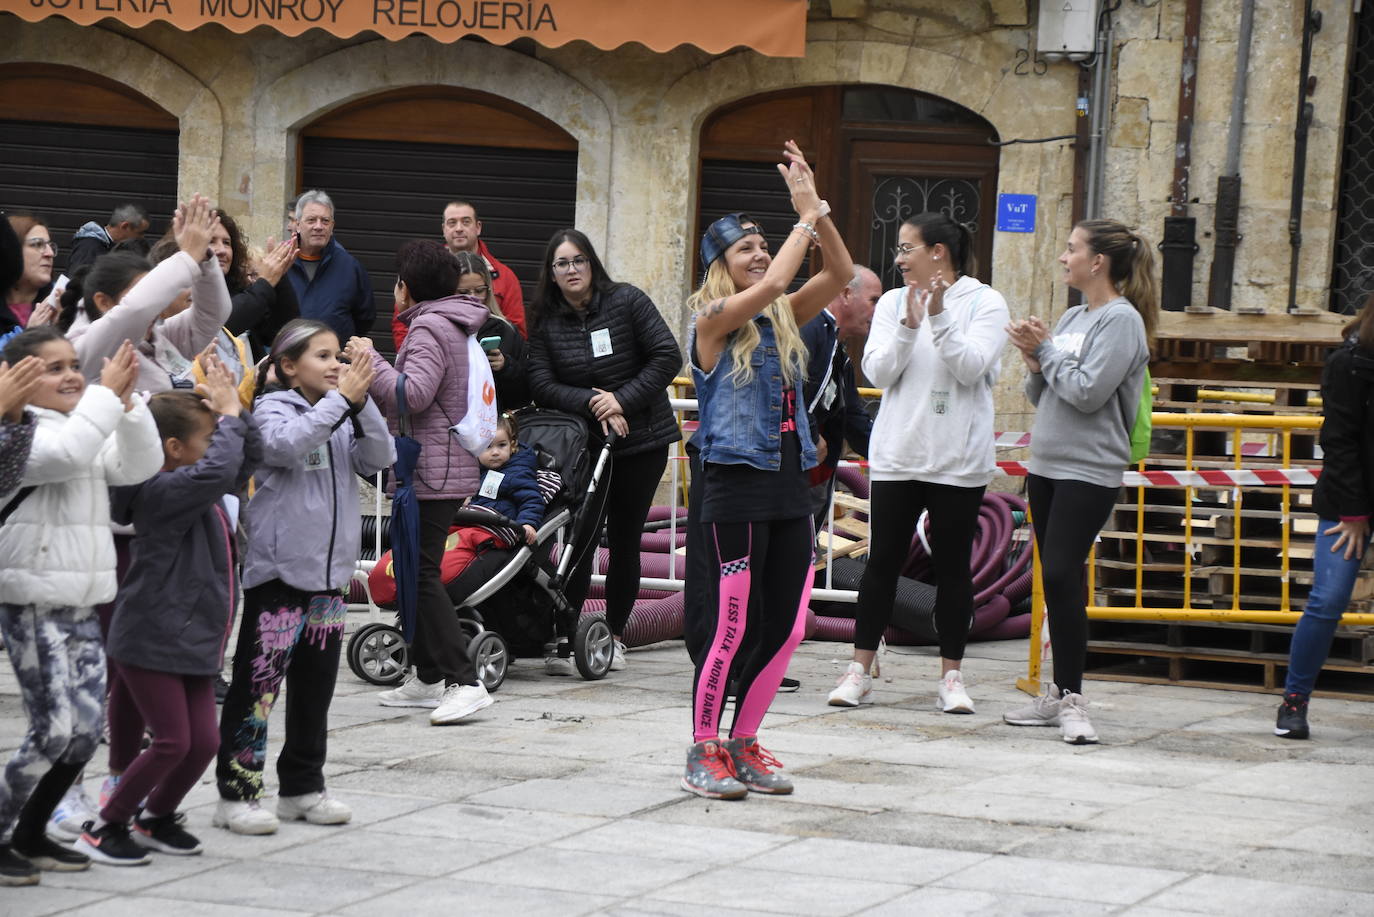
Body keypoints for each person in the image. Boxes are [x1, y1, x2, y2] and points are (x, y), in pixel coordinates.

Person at [683, 140, 853, 799]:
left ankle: (743, 740)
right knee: (731, 624)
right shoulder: (712, 319)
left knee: (788, 623)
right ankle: (702, 748)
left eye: (762, 244)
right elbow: (779, 279)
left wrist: (818, 211)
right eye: (744, 250)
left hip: (787, 485)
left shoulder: (781, 316)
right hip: (732, 487)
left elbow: (839, 272)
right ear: (719, 267)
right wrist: (801, 218)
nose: (758, 256)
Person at [215, 319, 394, 835]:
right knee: (259, 689)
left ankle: (302, 787)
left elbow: (380, 458)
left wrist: (364, 402)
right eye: (323, 356)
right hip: (280, 577)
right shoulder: (274, 410)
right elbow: (284, 448)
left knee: (316, 690)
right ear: (289, 366)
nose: (336, 365)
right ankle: (237, 793)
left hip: (328, 580)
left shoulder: (336, 413)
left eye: (340, 356)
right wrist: (342, 403)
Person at [826, 213, 1010, 714]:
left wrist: (940, 315)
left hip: (957, 458)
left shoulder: (985, 302)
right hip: (898, 455)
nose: (899, 258)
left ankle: (952, 677)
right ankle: (859, 670)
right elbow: (879, 370)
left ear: (939, 252)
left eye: (908, 248)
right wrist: (909, 323)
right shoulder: (890, 301)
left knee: (952, 567)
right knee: (881, 562)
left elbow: (971, 368)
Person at [0, 331, 162, 885]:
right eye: (53, 368)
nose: (72, 375)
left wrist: (129, 405)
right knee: (51, 731)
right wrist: (102, 398)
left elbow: (138, 466)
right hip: (31, 601)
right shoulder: (19, 434)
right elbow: (65, 458)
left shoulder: (83, 424)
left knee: (85, 729)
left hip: (82, 603)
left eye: (75, 365)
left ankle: (32, 831)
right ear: (17, 379)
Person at [84, 362, 262, 864]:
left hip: (194, 637)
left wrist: (233, 415)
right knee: (170, 742)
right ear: (173, 450)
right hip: (151, 637)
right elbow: (223, 469)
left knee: (203, 743)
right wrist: (225, 416)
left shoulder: (195, 487)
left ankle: (156, 816)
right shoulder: (161, 493)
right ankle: (106, 825)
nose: (216, 444)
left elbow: (247, 459)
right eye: (208, 438)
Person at [1002, 218, 1157, 745]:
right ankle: (1061, 693)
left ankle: (1072, 700)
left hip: (1088, 469)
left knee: (1066, 576)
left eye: (1071, 249)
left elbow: (1089, 393)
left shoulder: (1121, 321)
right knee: (1057, 579)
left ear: (1099, 263)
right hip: (1046, 465)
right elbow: (1044, 396)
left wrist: (1045, 354)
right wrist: (1033, 359)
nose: (1063, 257)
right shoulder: (1072, 315)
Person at [527, 228, 682, 673]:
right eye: (562, 264)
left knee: (627, 539)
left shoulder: (627, 300)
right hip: (585, 448)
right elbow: (541, 383)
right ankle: (568, 634)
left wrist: (622, 400)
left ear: (592, 264)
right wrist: (597, 404)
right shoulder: (546, 320)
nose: (571, 269)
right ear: (551, 274)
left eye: (579, 260)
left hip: (642, 441)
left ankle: (612, 636)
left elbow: (666, 356)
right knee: (580, 538)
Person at [354, 240, 495, 725]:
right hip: (436, 465)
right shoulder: (446, 322)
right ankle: (429, 677)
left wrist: (370, 359)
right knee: (415, 568)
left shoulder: (429, 327)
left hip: (435, 470)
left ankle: (465, 681)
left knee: (421, 571)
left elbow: (411, 394)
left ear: (406, 288)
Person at [1275, 296, 1374, 739]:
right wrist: (1354, 513)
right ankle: (1294, 701)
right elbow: (1339, 440)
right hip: (1348, 503)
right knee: (1329, 598)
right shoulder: (1349, 364)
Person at [366, 412, 546, 608]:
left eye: (501, 445)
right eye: (487, 446)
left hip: (494, 529)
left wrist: (527, 523)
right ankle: (400, 578)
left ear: (512, 445)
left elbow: (531, 499)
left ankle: (425, 584)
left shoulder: (518, 472)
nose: (495, 452)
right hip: (471, 522)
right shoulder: (475, 472)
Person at [64, 195, 232, 393]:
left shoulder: (160, 338)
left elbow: (213, 315)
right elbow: (135, 310)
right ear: (103, 301)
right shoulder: (84, 349)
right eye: (143, 290)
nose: (155, 302)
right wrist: (187, 257)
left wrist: (203, 257)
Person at [390, 250, 529, 410]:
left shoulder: (506, 330)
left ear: (489, 290)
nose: (473, 298)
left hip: (492, 424)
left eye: (479, 291)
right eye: (463, 292)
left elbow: (524, 395)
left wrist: (506, 367)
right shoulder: (433, 328)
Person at [801, 264, 879, 531]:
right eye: (873, 300)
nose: (877, 311)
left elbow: (854, 419)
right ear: (846, 294)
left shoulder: (837, 350)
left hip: (812, 486)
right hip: (785, 487)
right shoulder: (809, 329)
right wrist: (810, 435)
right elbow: (785, 389)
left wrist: (898, 460)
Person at [286, 190, 375, 345]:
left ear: (332, 226)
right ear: (298, 225)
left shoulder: (350, 267)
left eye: (325, 221)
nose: (318, 226)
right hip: (291, 362)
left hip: (335, 364)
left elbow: (365, 317)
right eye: (311, 220)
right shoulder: (282, 264)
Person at [213, 212, 300, 360]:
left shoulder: (237, 287)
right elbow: (222, 326)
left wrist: (280, 278)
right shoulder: (185, 288)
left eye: (227, 243)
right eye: (211, 241)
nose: (222, 250)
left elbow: (281, 332)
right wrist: (265, 281)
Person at [439, 200, 526, 336]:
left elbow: (517, 332)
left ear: (478, 227)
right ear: (443, 229)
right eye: (452, 223)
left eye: (466, 222)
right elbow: (404, 320)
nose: (459, 228)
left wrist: (502, 356)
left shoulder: (505, 276)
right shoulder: (429, 273)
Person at [3, 214, 56, 336]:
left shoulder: (64, 301)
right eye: (37, 244)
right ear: (11, 251)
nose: (50, 253)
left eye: (50, 246)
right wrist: (29, 334)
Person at [67, 204, 150, 273]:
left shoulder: (108, 245)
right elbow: (76, 284)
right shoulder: (89, 247)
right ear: (125, 226)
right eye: (140, 233)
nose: (142, 237)